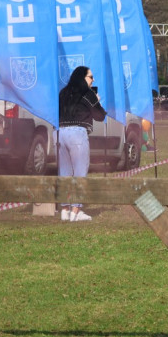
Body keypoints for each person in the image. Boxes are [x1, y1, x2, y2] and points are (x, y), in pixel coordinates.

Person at [58, 65, 107, 222]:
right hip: (77, 134)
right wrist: (97, 101)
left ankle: (64, 211)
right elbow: (99, 116)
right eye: (90, 77)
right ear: (83, 78)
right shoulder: (88, 93)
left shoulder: (63, 92)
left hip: (60, 133)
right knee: (80, 172)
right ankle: (76, 211)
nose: (93, 80)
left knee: (64, 173)